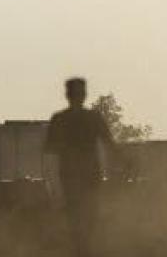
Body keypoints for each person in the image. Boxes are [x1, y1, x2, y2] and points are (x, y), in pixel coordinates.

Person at [44, 77, 117, 256]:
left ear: (67, 95)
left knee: (79, 229)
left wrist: (54, 189)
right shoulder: (91, 118)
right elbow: (110, 145)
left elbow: (50, 157)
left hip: (77, 182)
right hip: (84, 182)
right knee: (84, 228)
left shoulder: (61, 120)